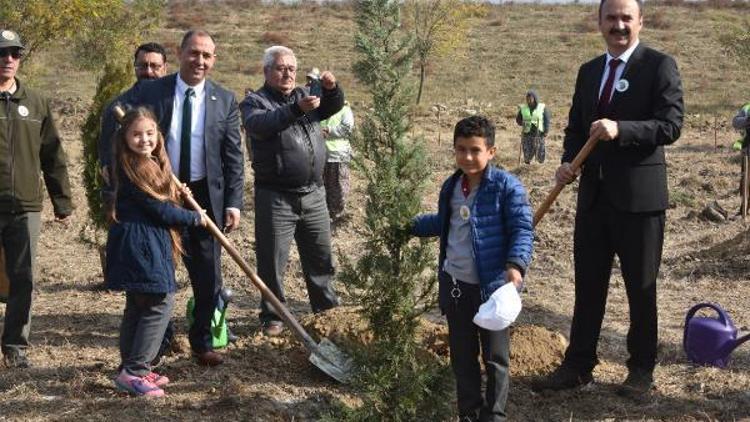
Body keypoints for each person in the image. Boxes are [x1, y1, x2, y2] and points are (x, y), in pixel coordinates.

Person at [531, 0, 684, 397]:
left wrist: (623, 129)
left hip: (639, 200)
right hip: (594, 198)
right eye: (611, 18)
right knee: (588, 286)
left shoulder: (658, 65)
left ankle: (640, 371)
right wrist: (567, 163)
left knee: (641, 287)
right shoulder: (589, 72)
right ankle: (579, 365)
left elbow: (671, 125)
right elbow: (575, 128)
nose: (619, 25)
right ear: (599, 22)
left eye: (626, 18)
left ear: (640, 22)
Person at [132, 29, 244, 366]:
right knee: (156, 274)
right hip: (161, 194)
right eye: (194, 53)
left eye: (207, 56)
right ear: (180, 54)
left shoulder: (224, 99)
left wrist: (234, 203)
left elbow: (233, 157)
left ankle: (201, 341)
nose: (200, 61)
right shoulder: (154, 91)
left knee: (208, 277)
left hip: (204, 200)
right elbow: (121, 127)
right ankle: (155, 344)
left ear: (214, 60)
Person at [411, 115, 534, 422]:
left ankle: (494, 416)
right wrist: (408, 225)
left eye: (475, 150)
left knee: (495, 358)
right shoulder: (451, 185)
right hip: (456, 287)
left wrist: (515, 266)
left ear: (491, 151)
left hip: (492, 288)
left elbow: (522, 228)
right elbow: (444, 222)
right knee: (463, 358)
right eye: (461, 149)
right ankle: (468, 412)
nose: (467, 156)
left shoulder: (506, 187)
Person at [241, 46, 342, 336]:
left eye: (292, 69)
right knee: (273, 260)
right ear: (266, 71)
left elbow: (332, 106)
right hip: (276, 196)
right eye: (280, 68)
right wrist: (297, 110)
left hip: (314, 194)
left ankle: (326, 311)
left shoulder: (303, 96)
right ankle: (273, 315)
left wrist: (332, 88)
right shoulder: (254, 102)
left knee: (320, 258)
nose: (287, 73)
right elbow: (260, 126)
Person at [106, 107, 207, 397]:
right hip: (141, 246)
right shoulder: (131, 168)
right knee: (158, 303)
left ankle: (132, 366)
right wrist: (193, 216)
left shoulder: (146, 163)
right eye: (136, 134)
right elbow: (157, 209)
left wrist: (175, 193)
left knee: (138, 307)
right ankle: (135, 371)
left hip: (143, 244)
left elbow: (160, 200)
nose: (144, 139)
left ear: (158, 136)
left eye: (149, 133)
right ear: (124, 138)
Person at [0, 29, 73, 368]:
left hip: (24, 205)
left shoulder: (36, 101)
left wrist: (62, 202)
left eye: (14, 53)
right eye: (2, 53)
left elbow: (53, 154)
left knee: (23, 278)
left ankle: (15, 345)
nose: (8, 60)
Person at [99, 43, 169, 186]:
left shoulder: (178, 103)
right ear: (135, 67)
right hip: (134, 188)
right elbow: (108, 155)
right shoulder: (118, 106)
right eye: (143, 66)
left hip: (175, 185)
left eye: (155, 66)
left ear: (165, 69)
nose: (148, 72)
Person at [321, 97, 354, 222]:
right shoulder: (319, 109)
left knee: (338, 189)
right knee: (321, 188)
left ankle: (336, 218)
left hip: (338, 156)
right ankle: (323, 217)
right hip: (321, 155)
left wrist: (329, 130)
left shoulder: (345, 109)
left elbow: (347, 129)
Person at [515, 90, 550, 164]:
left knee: (540, 150)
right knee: (527, 150)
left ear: (535, 98)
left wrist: (546, 130)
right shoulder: (523, 108)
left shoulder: (542, 107)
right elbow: (518, 119)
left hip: (539, 133)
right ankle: (527, 163)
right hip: (527, 133)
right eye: (527, 99)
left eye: (530, 98)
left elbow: (546, 119)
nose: (529, 100)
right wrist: (522, 123)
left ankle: (540, 164)